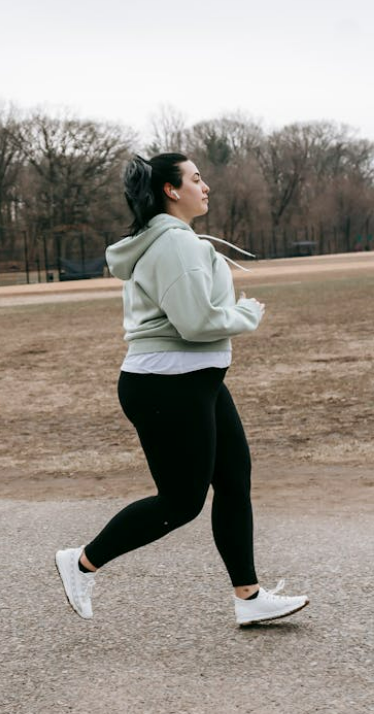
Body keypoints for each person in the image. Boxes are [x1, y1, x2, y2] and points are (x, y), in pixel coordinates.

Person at [54, 153, 309, 626]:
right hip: (167, 385)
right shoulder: (174, 243)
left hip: (195, 380)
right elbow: (195, 322)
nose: (205, 185)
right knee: (181, 502)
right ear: (171, 191)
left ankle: (248, 599)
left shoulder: (175, 239)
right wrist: (246, 313)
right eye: (196, 178)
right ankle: (82, 562)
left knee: (234, 480)